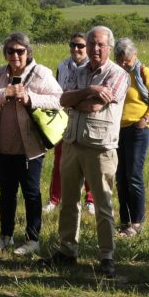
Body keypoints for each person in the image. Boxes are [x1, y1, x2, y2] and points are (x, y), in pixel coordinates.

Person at [52, 26, 128, 279]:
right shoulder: (78, 71)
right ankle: (67, 250)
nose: (95, 49)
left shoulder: (117, 74)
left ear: (109, 47)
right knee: (68, 200)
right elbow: (63, 99)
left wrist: (81, 98)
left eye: (100, 45)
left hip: (100, 148)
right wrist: (89, 89)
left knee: (103, 203)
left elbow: (95, 107)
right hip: (73, 143)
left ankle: (106, 256)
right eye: (91, 43)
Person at [0, 31, 62, 255]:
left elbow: (58, 99)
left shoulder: (40, 73)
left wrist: (30, 98)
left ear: (28, 52)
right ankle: (6, 236)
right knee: (6, 193)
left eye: (20, 51)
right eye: (10, 51)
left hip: (30, 148)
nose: (15, 55)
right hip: (2, 146)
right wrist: (3, 93)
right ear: (5, 53)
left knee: (31, 193)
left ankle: (32, 240)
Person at [114, 37, 149, 237]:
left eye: (127, 59)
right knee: (121, 177)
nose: (124, 63)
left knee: (134, 175)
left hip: (138, 130)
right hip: (117, 130)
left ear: (135, 55)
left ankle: (137, 222)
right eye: (120, 59)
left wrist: (145, 119)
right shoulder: (116, 74)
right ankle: (125, 220)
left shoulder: (145, 73)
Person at [46, 32, 92, 210]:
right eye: (73, 45)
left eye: (80, 45)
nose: (76, 49)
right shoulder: (62, 65)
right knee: (60, 159)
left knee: (88, 160)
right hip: (64, 118)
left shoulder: (93, 66)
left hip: (87, 118)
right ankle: (55, 198)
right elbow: (58, 92)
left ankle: (90, 200)